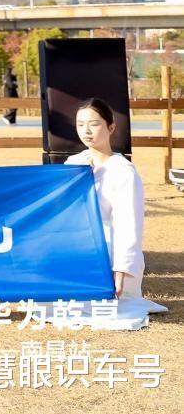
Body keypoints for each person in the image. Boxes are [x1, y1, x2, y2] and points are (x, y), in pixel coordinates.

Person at [66, 98, 166, 327]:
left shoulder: (123, 171)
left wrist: (121, 270)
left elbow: (128, 224)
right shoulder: (74, 162)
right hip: (79, 246)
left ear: (110, 127)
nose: (86, 131)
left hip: (109, 250)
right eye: (80, 125)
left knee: (105, 306)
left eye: (94, 124)